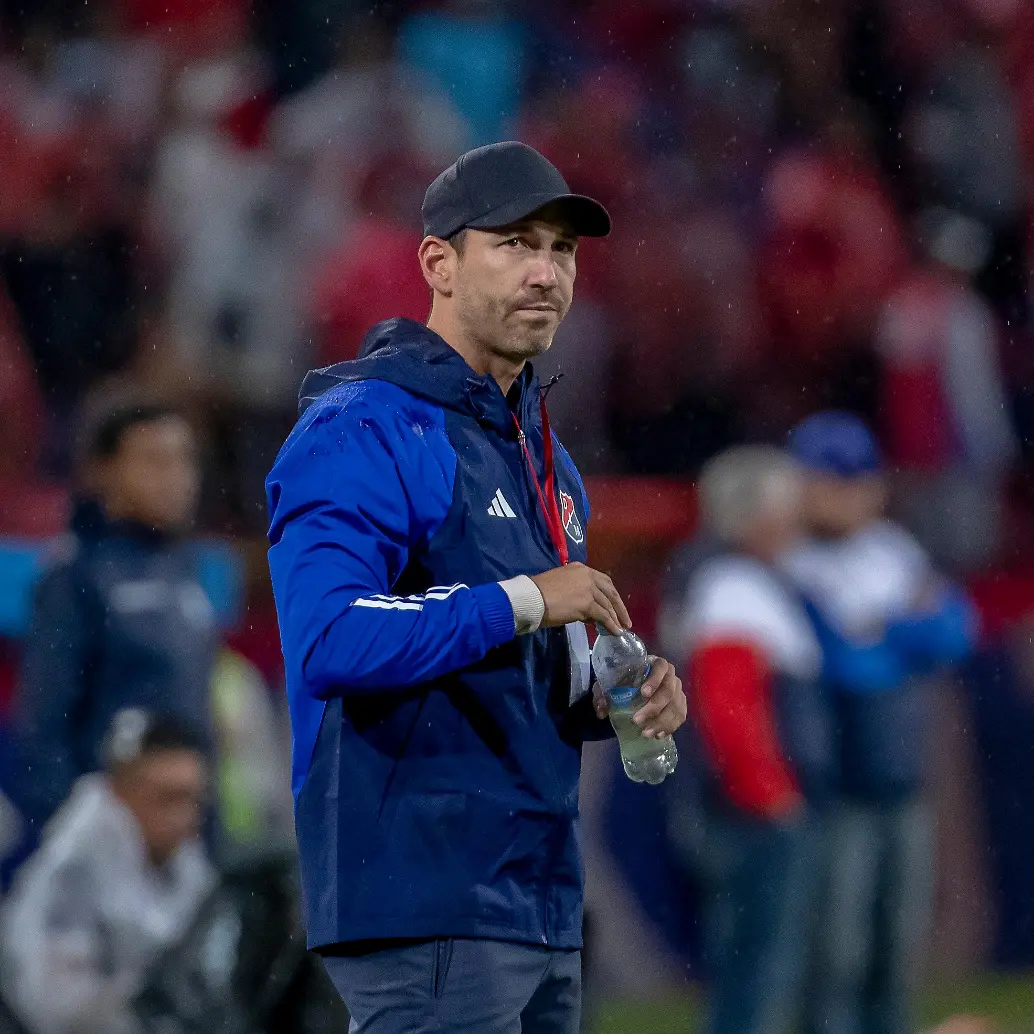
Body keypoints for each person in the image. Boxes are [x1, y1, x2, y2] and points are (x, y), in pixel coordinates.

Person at [265, 140, 687, 1034]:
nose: (546, 272)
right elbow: (330, 640)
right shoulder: (364, 425)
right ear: (438, 264)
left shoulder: (543, 456)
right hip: (425, 894)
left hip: (537, 896)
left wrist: (616, 697)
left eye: (562, 250)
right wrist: (527, 598)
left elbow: (520, 666)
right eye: (516, 243)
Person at [783, 411, 978, 1034]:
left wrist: (882, 634)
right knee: (838, 954)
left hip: (901, 778)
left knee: (896, 949)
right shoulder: (792, 560)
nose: (846, 495)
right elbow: (845, 665)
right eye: (830, 480)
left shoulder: (891, 548)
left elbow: (957, 632)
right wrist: (903, 634)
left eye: (854, 480)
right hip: (835, 784)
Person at [658, 446, 833, 1034]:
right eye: (786, 508)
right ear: (757, 517)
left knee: (758, 964)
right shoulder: (732, 586)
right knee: (761, 968)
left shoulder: (736, 579)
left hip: (746, 806)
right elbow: (729, 711)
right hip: (751, 812)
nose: (797, 519)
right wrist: (770, 795)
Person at [15, 403, 217, 834]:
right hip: (106, 835)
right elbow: (44, 725)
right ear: (102, 471)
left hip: (184, 835)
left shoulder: (186, 568)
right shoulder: (74, 574)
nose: (176, 478)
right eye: (154, 461)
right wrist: (73, 834)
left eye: (185, 460)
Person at [1, 709, 214, 1034]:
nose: (185, 816)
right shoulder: (77, 860)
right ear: (121, 790)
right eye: (168, 798)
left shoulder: (182, 854)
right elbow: (55, 1007)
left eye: (193, 799)